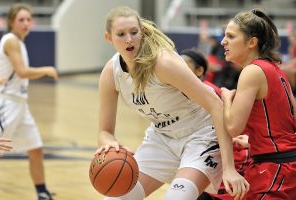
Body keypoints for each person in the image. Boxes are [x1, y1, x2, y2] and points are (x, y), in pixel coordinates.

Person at [95, 6, 249, 200]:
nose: (129, 39)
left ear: (141, 32)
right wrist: (111, 145)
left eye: (134, 32)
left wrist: (229, 169)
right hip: (162, 137)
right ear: (109, 37)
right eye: (121, 34)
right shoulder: (111, 73)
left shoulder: (163, 63)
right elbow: (104, 132)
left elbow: (215, 105)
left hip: (200, 134)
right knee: (116, 198)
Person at [221, 8, 296, 199]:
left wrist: (227, 100)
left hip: (277, 168)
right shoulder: (274, 69)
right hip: (283, 163)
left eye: (230, 36)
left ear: (252, 42)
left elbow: (233, 128)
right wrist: (257, 140)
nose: (223, 41)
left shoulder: (252, 71)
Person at [0, 3, 58, 200]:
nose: (25, 23)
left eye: (28, 19)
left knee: (36, 148)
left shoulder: (17, 43)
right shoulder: (12, 41)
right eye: (21, 19)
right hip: (7, 104)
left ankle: (42, 193)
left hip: (21, 105)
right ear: (11, 22)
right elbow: (22, 71)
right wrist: (46, 70)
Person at [180, 48, 251, 200]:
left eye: (184, 65)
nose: (179, 69)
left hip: (228, 156)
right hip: (200, 154)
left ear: (199, 70)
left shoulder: (213, 92)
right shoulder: (177, 94)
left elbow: (234, 125)